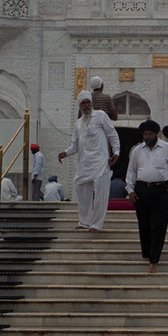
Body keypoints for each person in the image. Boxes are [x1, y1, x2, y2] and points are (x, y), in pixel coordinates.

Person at [58, 90, 120, 232]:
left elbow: (113, 135)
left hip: (100, 163)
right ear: (79, 106)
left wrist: (116, 152)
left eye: (88, 102)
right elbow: (75, 145)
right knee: (82, 192)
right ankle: (84, 222)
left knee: (100, 195)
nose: (86, 105)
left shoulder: (101, 116)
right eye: (83, 103)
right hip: (84, 164)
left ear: (91, 103)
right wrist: (65, 153)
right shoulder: (78, 123)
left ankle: (96, 225)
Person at [126, 118, 168, 271]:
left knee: (159, 225)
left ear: (157, 134)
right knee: (144, 224)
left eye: (150, 134)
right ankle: (147, 254)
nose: (148, 136)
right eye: (145, 134)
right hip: (141, 191)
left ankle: (154, 259)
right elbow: (131, 171)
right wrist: (130, 190)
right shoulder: (137, 150)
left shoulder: (166, 148)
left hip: (160, 191)